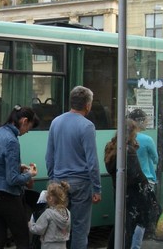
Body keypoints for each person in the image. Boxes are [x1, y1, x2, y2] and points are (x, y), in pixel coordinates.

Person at [46, 86, 102, 249]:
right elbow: (92, 161)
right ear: (88, 105)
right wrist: (97, 188)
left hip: (58, 182)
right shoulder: (87, 126)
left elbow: (49, 155)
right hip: (81, 184)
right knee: (79, 228)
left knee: (58, 226)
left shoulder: (56, 122)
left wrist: (52, 179)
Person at [0, 105, 39, 249]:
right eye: (29, 128)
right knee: (22, 237)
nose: (27, 132)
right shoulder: (12, 141)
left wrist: (17, 167)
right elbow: (12, 180)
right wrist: (29, 174)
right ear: (24, 121)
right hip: (7, 198)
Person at [105, 119, 157, 249]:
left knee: (120, 227)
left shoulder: (111, 147)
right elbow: (136, 175)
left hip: (119, 192)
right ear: (132, 134)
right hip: (131, 197)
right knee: (128, 230)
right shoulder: (128, 151)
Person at [28, 181, 71, 249]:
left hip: (48, 245)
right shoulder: (67, 212)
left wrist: (31, 225)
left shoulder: (48, 213)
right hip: (63, 245)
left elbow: (39, 230)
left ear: (50, 198)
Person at [127, 109, 159, 187]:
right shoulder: (147, 140)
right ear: (139, 122)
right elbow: (156, 159)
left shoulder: (124, 137)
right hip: (146, 179)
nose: (147, 123)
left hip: (129, 179)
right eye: (145, 120)